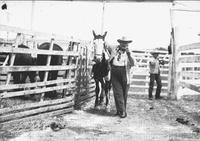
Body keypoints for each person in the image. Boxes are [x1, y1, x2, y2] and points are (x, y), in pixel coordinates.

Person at [105, 36, 134, 118]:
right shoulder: (114, 49)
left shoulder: (129, 52)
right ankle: (122, 111)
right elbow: (106, 45)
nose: (124, 44)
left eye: (126, 43)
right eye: (122, 43)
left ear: (128, 44)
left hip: (125, 73)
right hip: (115, 71)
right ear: (119, 43)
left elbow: (132, 63)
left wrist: (129, 54)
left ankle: (120, 110)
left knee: (124, 93)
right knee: (118, 92)